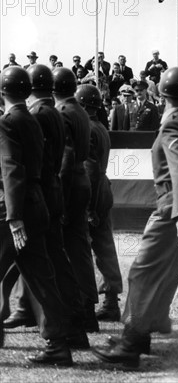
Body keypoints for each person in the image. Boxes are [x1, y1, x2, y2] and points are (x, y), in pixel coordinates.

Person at [93, 67, 178, 371]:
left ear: (162, 94)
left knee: (143, 272)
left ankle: (132, 344)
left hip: (173, 208)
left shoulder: (172, 125)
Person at [3, 65, 89, 350]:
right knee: (43, 277)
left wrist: (14, 217)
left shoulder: (10, 121)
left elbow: (12, 169)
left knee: (43, 274)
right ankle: (62, 337)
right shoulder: (31, 117)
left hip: (19, 211)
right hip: (39, 202)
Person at [53, 67, 99, 333]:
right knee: (80, 250)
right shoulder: (80, 111)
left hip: (69, 183)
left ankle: (75, 313)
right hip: (83, 181)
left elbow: (66, 159)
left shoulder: (63, 112)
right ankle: (88, 310)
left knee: (63, 249)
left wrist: (59, 197)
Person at [75, 84, 123, 322]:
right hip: (104, 190)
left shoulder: (86, 129)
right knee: (105, 248)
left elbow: (90, 168)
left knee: (82, 248)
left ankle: (85, 304)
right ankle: (111, 301)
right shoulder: (101, 127)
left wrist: (89, 207)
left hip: (92, 193)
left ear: (82, 105)